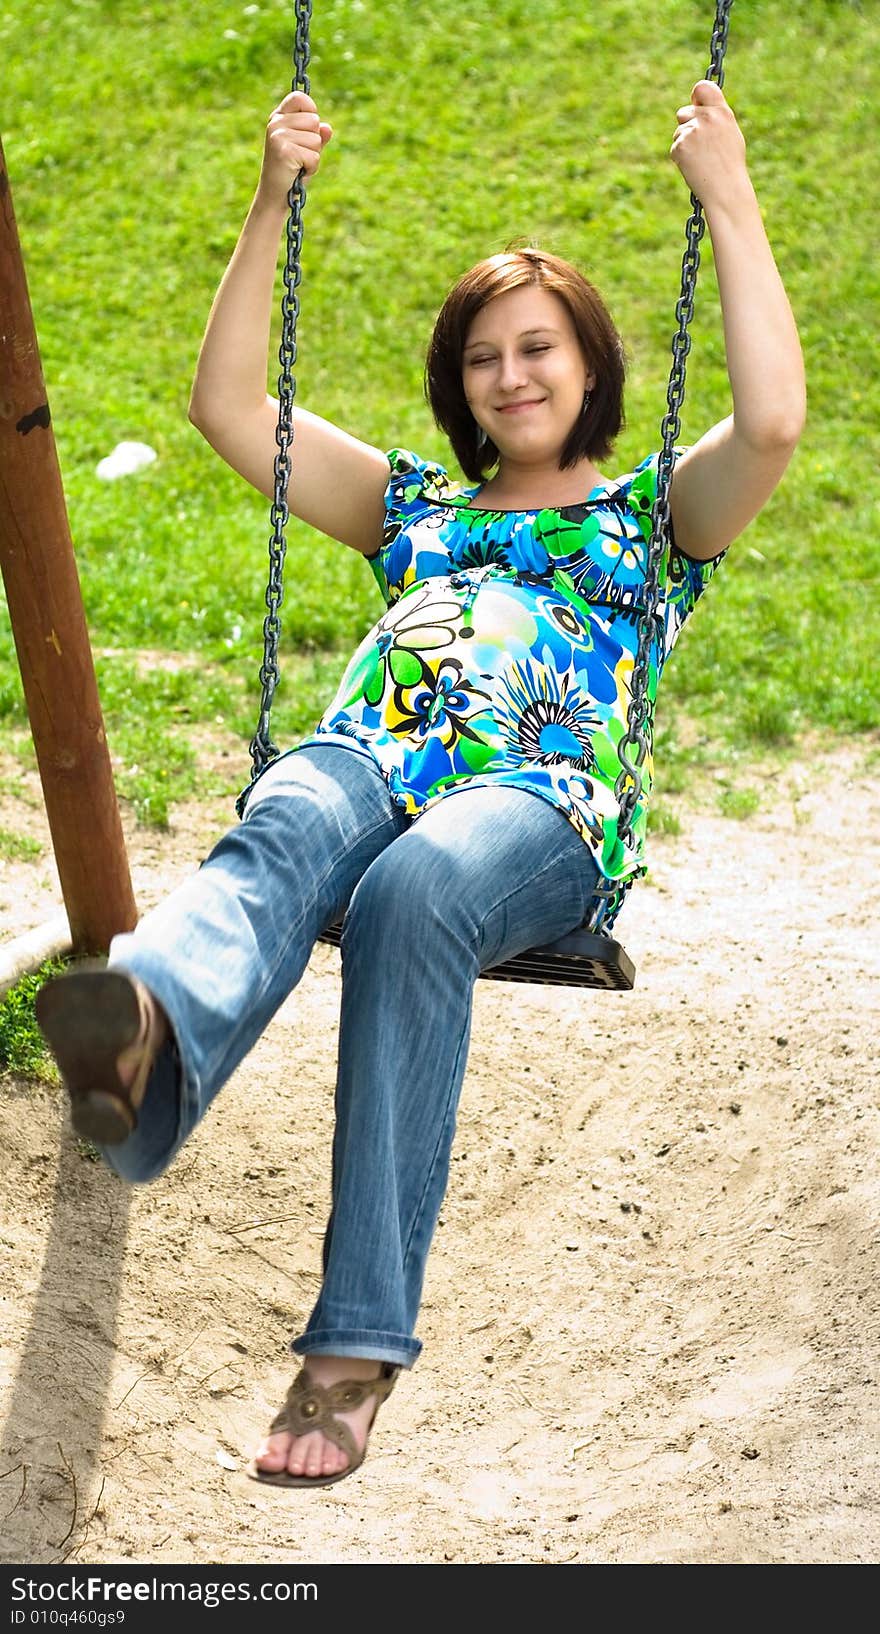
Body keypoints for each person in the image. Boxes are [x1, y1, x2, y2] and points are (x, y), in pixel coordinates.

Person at [36, 80, 805, 1489]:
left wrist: (731, 198)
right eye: (484, 357)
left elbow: (769, 428)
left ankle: (354, 1343)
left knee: (412, 894)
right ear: (459, 384)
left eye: (539, 351)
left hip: (534, 809)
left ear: (591, 369)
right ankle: (145, 1029)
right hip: (375, 752)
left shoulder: (651, 520)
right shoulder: (417, 510)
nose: (510, 376)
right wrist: (273, 195)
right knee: (289, 815)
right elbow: (228, 408)